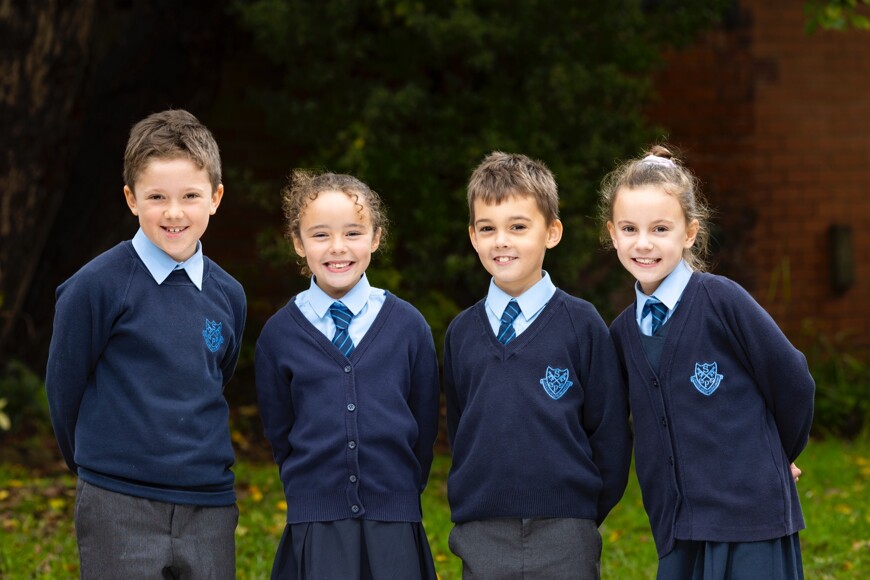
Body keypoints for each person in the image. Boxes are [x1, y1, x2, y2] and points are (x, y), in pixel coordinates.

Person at [45, 109, 246, 578]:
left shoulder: (228, 294)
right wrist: (98, 468)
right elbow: (63, 389)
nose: (174, 213)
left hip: (208, 504)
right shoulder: (96, 286)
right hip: (118, 502)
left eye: (190, 196)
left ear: (215, 198)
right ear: (131, 199)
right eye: (157, 197)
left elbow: (216, 376)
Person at [600, 144, 815, 579]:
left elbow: (793, 381)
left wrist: (779, 455)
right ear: (612, 234)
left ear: (690, 233)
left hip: (751, 523)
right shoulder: (621, 333)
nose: (644, 243)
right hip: (679, 529)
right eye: (629, 229)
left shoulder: (722, 301)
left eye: (661, 229)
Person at [443, 151, 632, 579]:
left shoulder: (582, 324)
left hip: (566, 530)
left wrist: (581, 510)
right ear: (473, 237)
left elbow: (610, 434)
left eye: (518, 227)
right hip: (482, 530)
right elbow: (461, 429)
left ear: (552, 232)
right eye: (487, 228)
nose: (501, 241)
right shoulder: (461, 333)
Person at [254, 170, 440, 580]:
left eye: (353, 233)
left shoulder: (409, 327)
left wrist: (400, 492)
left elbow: (423, 428)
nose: (338, 247)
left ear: (376, 238)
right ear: (298, 243)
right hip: (317, 523)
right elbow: (280, 432)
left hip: (393, 522)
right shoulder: (279, 335)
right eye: (320, 235)